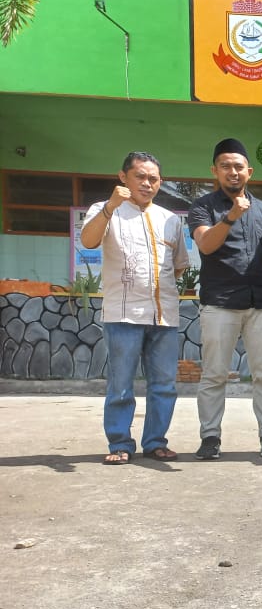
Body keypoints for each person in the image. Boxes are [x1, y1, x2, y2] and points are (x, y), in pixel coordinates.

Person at [80, 151, 189, 465]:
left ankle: (155, 442)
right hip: (122, 315)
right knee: (121, 385)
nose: (146, 183)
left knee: (164, 386)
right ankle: (120, 444)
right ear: (123, 177)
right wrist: (111, 206)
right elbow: (88, 241)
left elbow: (179, 266)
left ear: (160, 182)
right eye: (140, 176)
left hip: (164, 315)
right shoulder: (104, 209)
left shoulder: (170, 219)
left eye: (153, 178)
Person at [187, 138, 262, 461]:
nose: (233, 172)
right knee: (215, 374)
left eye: (239, 167)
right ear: (214, 171)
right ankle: (210, 437)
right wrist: (230, 216)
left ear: (249, 172)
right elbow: (206, 245)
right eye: (226, 166)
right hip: (220, 302)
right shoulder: (202, 207)